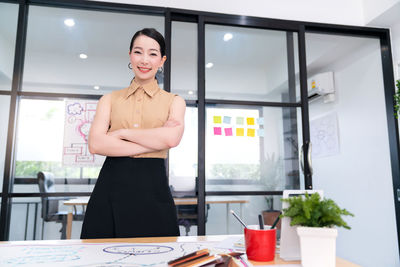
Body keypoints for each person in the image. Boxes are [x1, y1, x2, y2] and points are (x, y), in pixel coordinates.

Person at [80, 28, 186, 239]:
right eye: (138, 52)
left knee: (159, 255)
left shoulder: (174, 101)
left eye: (153, 54)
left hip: (153, 187)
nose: (145, 60)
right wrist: (156, 141)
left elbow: (171, 138)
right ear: (130, 55)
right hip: (110, 187)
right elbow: (96, 144)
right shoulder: (109, 100)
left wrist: (121, 133)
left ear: (162, 60)